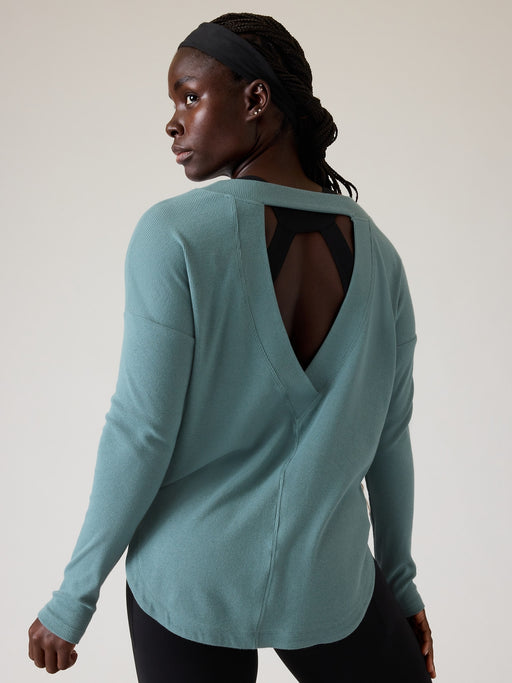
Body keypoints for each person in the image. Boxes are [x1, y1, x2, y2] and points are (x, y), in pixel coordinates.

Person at [28, 12, 436, 682]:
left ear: (255, 99)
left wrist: (74, 597)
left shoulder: (175, 235)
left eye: (189, 97)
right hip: (328, 584)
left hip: (187, 580)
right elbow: (390, 440)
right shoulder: (381, 256)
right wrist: (401, 588)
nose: (172, 123)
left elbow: (141, 431)